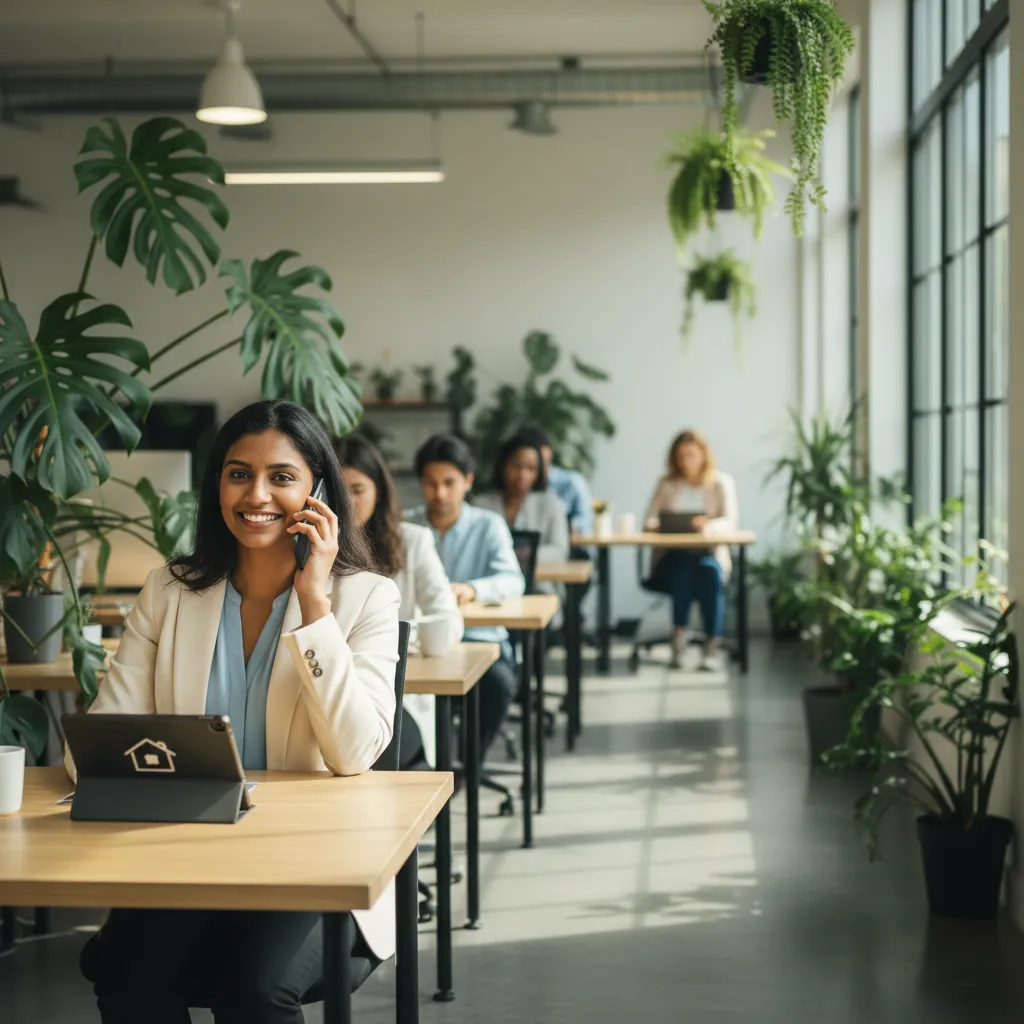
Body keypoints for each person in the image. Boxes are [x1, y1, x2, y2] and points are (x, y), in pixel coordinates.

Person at [68, 400, 400, 1024]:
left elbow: (354, 754)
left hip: (313, 862)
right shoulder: (171, 590)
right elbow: (97, 741)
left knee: (253, 987)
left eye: (282, 476)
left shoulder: (367, 598)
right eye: (238, 473)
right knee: (127, 974)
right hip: (188, 853)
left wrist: (314, 603)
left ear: (318, 491)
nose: (257, 495)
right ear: (216, 483)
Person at [336, 432, 463, 768]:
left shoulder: (413, 541)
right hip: (332, 691)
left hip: (396, 695)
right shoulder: (310, 546)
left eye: (358, 490)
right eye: (338, 490)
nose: (347, 502)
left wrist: (387, 642)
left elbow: (448, 619)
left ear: (379, 489)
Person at [405, 434, 525, 765]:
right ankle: (431, 771)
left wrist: (472, 590)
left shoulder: (489, 525)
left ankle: (469, 769)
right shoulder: (405, 525)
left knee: (497, 685)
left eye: (449, 482)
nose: (439, 493)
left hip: (478, 640)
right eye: (430, 483)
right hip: (422, 645)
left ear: (467, 481)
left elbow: (513, 580)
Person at [644, 428, 739, 671]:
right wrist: (658, 525)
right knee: (683, 570)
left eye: (691, 455)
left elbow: (730, 521)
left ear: (703, 455)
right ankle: (679, 640)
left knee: (708, 573)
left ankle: (712, 646)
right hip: (672, 556)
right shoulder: (666, 485)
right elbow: (650, 520)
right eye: (680, 456)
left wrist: (709, 525)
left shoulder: (720, 483)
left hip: (708, 553)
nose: (686, 461)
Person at [473, 432, 570, 601]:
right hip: (490, 592)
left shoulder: (552, 504)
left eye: (531, 469)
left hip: (538, 590)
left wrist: (519, 553)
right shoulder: (480, 505)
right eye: (516, 466)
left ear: (539, 473)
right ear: (503, 465)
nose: (522, 475)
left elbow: (559, 551)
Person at [516, 426, 594, 539]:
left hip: (573, 549)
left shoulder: (572, 482)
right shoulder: (520, 487)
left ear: (549, 451)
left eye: (539, 449)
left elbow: (585, 523)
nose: (534, 455)